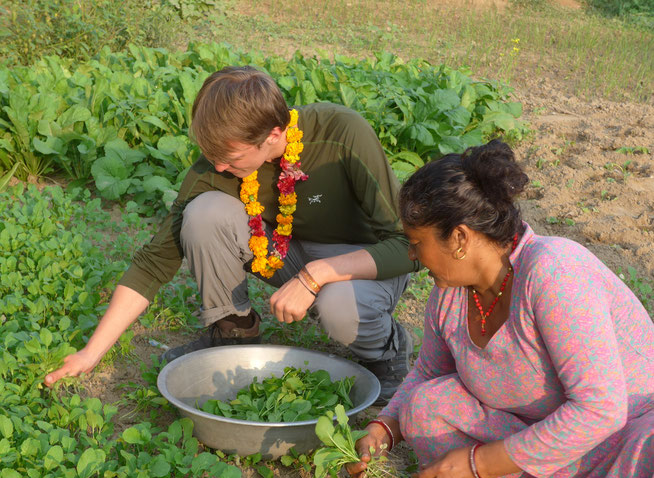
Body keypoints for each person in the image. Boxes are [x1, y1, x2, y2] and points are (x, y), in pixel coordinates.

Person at [44, 66, 420, 404]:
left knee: (339, 305)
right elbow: (155, 261)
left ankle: (387, 352)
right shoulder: (218, 161)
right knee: (204, 214)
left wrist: (317, 275)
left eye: (232, 158)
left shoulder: (342, 132)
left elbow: (410, 245)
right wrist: (90, 353)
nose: (220, 166)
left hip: (364, 260)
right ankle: (234, 331)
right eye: (213, 155)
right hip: (289, 250)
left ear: (274, 134)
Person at [347, 140, 654, 478]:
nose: (413, 255)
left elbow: (602, 410)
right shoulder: (449, 297)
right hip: (535, 444)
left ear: (460, 238)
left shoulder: (554, 273)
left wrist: (480, 465)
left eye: (417, 243)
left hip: (622, 447)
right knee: (425, 407)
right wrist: (383, 429)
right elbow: (429, 372)